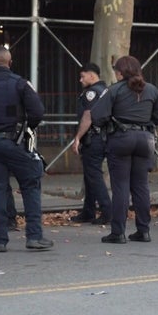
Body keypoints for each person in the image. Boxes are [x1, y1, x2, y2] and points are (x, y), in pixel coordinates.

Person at [0, 46, 52, 252]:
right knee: (30, 185)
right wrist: (25, 129)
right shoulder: (21, 84)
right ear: (10, 62)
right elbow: (37, 112)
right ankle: (34, 237)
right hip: (16, 143)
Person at [90, 56, 158, 243]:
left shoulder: (114, 90)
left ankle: (118, 232)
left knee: (120, 187)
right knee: (141, 186)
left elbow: (97, 116)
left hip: (120, 139)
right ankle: (143, 231)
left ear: (120, 72)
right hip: (145, 140)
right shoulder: (152, 90)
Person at [70, 63, 111, 225]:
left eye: (83, 76)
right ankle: (89, 211)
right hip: (102, 138)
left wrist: (78, 137)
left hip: (93, 139)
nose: (80, 80)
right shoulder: (105, 90)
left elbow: (88, 116)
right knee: (89, 176)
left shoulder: (92, 92)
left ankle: (107, 210)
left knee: (94, 175)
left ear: (92, 76)